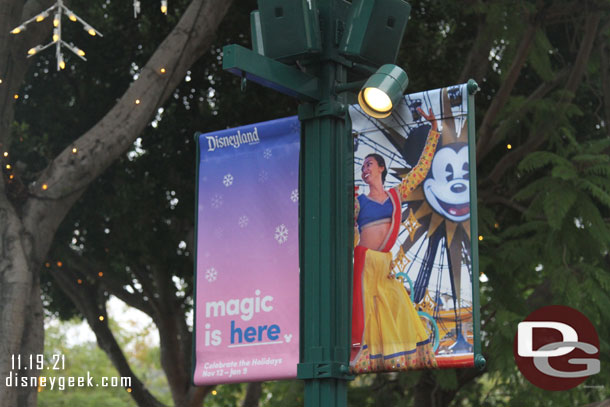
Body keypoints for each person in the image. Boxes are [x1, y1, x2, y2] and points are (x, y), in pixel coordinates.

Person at [351, 108, 439, 373]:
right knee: (364, 316)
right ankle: (357, 358)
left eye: (369, 164)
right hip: (365, 265)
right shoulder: (357, 202)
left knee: (397, 307)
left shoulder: (395, 195)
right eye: (362, 166)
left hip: (384, 267)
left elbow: (421, 169)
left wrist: (434, 129)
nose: (364, 169)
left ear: (381, 167)